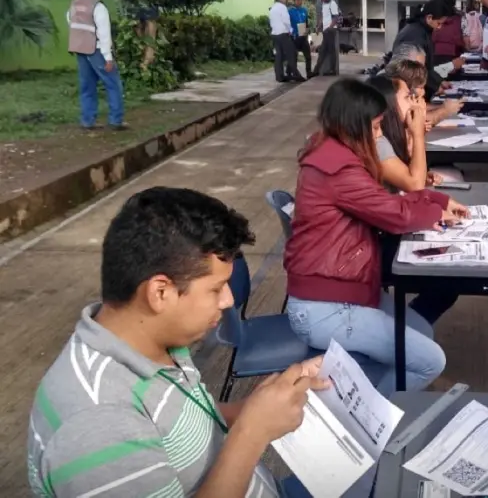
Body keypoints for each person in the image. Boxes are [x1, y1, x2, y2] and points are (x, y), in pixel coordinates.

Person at [28, 187, 325, 497]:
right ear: (160, 293)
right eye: (216, 288)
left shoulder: (156, 342)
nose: (228, 300)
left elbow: (179, 425)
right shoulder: (96, 424)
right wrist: (252, 432)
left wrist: (251, 409)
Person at [284, 78, 468, 396]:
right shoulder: (338, 169)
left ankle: (367, 390)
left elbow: (385, 203)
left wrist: (436, 201)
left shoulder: (332, 151)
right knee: (430, 360)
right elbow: (396, 215)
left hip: (342, 291)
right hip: (326, 306)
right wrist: (434, 208)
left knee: (421, 332)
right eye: (376, 126)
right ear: (354, 125)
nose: (380, 134)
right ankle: (371, 424)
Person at [367, 73, 462, 322]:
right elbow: (414, 185)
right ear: (388, 103)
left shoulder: (385, 135)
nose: (415, 103)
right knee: (448, 280)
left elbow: (411, 179)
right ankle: (405, 331)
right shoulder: (377, 140)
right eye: (408, 97)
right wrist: (418, 134)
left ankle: (406, 328)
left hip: (385, 229)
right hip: (373, 244)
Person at [66, 0, 126, 130]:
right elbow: (104, 34)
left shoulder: (74, 4)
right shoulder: (98, 7)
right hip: (97, 50)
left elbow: (71, 22)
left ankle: (87, 121)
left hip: (80, 51)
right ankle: (115, 121)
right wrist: (108, 58)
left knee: (87, 86)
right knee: (113, 84)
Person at [392, 0, 454, 101]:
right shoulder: (415, 35)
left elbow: (427, 67)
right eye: (439, 23)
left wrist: (439, 81)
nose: (440, 27)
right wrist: (435, 86)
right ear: (429, 18)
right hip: (406, 87)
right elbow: (417, 70)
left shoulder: (422, 29)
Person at [270, 0, 304, 83]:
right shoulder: (282, 7)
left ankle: (279, 76)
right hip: (283, 33)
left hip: (275, 34)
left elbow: (272, 22)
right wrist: (290, 30)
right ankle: (295, 75)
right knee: (292, 53)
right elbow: (286, 22)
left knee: (279, 56)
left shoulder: (273, 8)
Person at [313, 0, 340, 77]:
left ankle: (331, 70)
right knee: (323, 50)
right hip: (325, 30)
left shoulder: (332, 4)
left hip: (330, 30)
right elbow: (322, 16)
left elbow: (336, 17)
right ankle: (317, 70)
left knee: (330, 50)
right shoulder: (324, 4)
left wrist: (330, 27)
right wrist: (319, 26)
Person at [432, 0, 465, 65]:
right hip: (453, 52)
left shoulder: (435, 17)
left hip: (436, 52)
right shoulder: (459, 18)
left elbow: (432, 36)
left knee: (437, 74)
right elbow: (459, 38)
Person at [289, 0, 312, 77]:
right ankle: (292, 73)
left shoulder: (304, 10)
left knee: (308, 56)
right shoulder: (290, 11)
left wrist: (307, 30)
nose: (300, 1)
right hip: (294, 37)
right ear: (294, 1)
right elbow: (287, 24)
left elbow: (306, 23)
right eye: (298, 0)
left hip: (303, 36)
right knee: (294, 56)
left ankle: (309, 72)